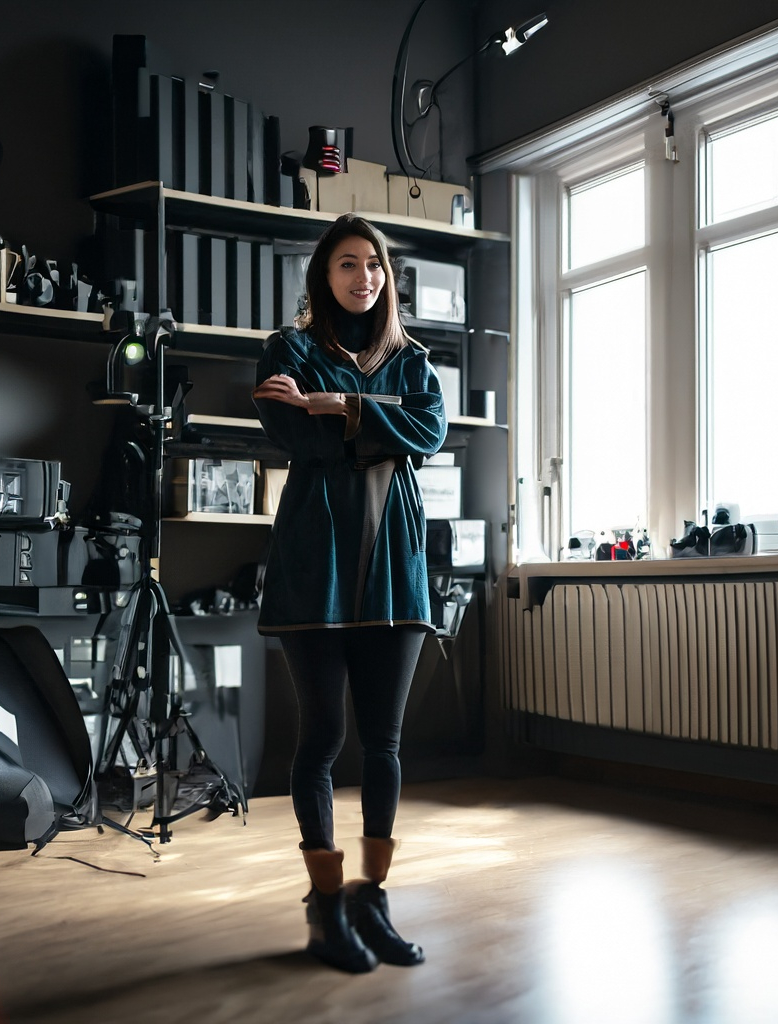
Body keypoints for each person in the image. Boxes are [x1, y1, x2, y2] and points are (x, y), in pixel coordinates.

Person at [251, 213, 446, 974]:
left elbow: (431, 432)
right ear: (323, 276)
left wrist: (336, 406)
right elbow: (290, 435)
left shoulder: (414, 359)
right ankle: (326, 903)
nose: (363, 278)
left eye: (373, 265)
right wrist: (354, 423)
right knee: (323, 740)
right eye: (346, 265)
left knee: (387, 744)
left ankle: (373, 897)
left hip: (394, 568)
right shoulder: (289, 350)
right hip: (315, 568)